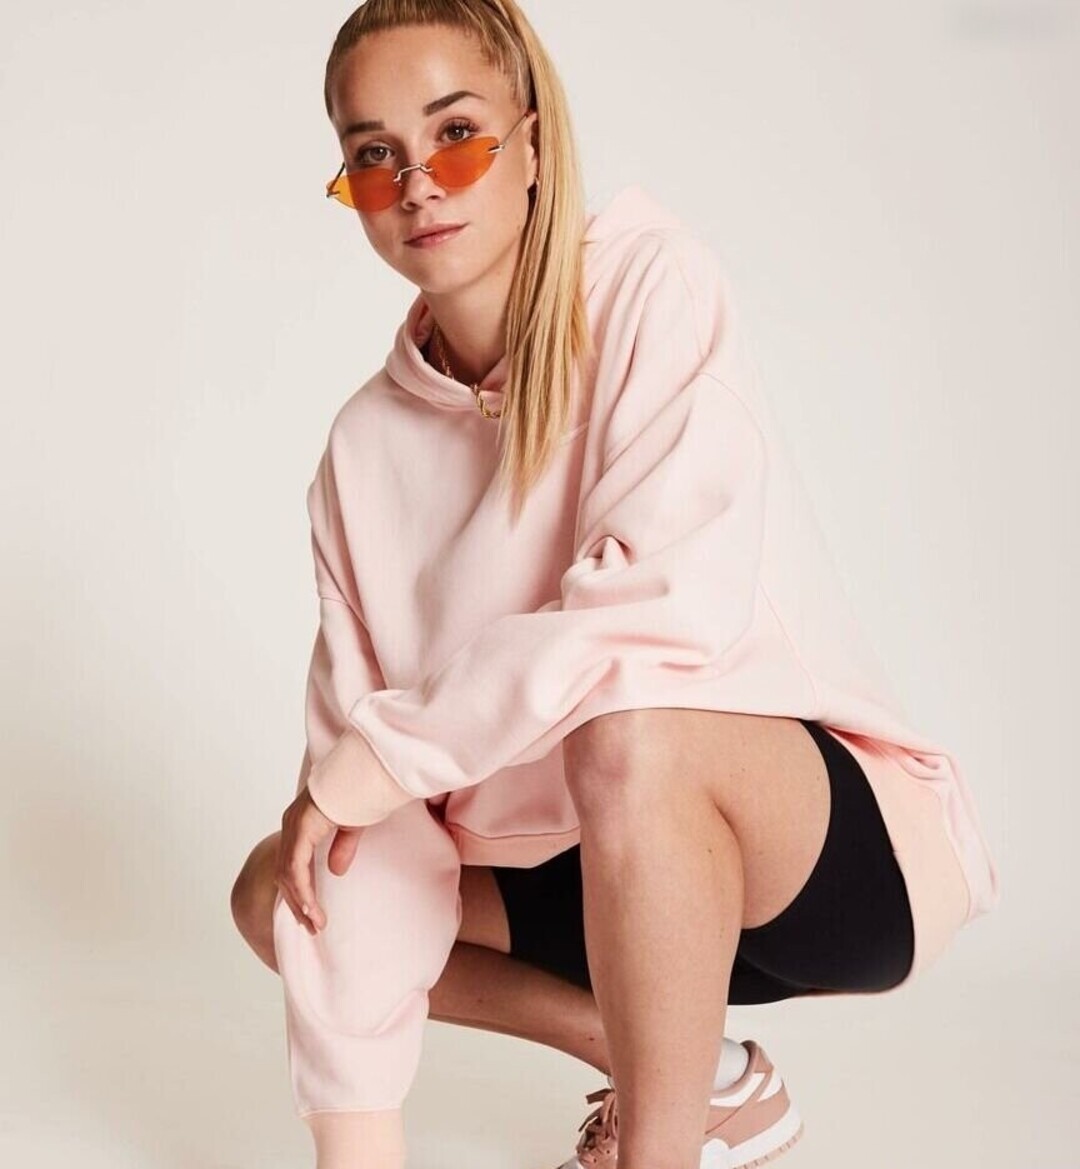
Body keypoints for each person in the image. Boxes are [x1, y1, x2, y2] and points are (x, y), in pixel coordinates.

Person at [229, 3, 1001, 1168]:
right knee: (295, 885)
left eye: (457, 135)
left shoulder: (650, 287)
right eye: (375, 155)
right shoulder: (361, 450)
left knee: (630, 722)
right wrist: (359, 1148)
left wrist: (383, 756)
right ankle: (706, 1081)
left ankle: (659, 1149)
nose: (420, 184)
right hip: (586, 869)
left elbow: (659, 614)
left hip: (817, 861)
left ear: (533, 142)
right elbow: (359, 823)